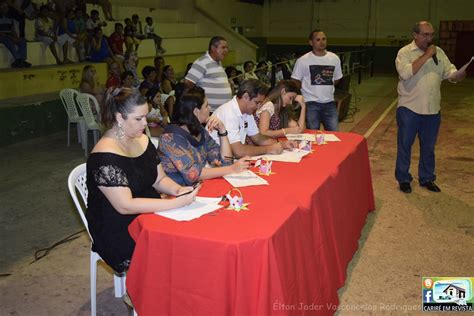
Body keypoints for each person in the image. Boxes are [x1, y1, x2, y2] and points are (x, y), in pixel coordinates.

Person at [86, 87, 198, 273]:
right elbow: (125, 205)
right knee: (178, 245)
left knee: (190, 235)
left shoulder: (142, 139)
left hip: (147, 212)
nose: (144, 123)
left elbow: (159, 179)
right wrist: (174, 204)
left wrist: (178, 190)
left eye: (145, 116)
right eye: (138, 119)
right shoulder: (104, 156)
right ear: (119, 118)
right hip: (119, 226)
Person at [395, 21, 465, 194]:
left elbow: (449, 72)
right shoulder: (405, 53)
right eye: (425, 34)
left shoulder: (439, 52)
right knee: (405, 145)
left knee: (428, 147)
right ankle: (404, 178)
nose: (429, 38)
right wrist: (426, 55)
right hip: (409, 108)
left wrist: (457, 75)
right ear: (415, 35)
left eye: (431, 34)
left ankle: (427, 178)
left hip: (432, 110)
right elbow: (405, 73)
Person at [158, 86, 250, 186]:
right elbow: (193, 174)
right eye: (206, 106)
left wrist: (222, 131)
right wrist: (232, 169)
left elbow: (225, 162)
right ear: (196, 111)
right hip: (175, 193)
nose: (209, 108)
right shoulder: (171, 137)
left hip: (195, 188)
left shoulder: (199, 130)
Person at [209, 79, 295, 158]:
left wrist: (282, 144)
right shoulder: (229, 113)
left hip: (229, 160)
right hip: (216, 161)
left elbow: (258, 138)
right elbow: (238, 151)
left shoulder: (247, 112)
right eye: (257, 102)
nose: (258, 107)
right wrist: (269, 149)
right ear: (246, 97)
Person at [291, 29, 342, 131]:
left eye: (324, 39)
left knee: (334, 133)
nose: (322, 42)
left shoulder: (334, 58)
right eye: (318, 39)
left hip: (329, 103)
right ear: (311, 42)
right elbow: (295, 80)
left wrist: (326, 86)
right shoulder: (303, 60)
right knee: (313, 134)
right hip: (311, 103)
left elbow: (337, 79)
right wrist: (304, 92)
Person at [184, 36, 232, 112]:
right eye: (223, 47)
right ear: (213, 48)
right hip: (209, 112)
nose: (226, 50)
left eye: (227, 48)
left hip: (220, 111)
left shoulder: (218, 63)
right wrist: (201, 99)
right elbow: (188, 83)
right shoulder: (202, 62)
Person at [0, 0, 31, 68]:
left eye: (6, 8)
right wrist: (10, 37)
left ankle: (21, 60)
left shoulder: (9, 18)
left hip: (8, 35)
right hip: (2, 36)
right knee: (9, 42)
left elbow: (12, 29)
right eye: (4, 8)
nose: (6, 9)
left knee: (22, 41)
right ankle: (18, 59)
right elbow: (2, 33)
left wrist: (16, 38)